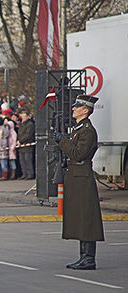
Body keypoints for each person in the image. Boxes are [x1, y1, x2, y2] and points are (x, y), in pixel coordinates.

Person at [52, 95, 104, 270]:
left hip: (82, 176)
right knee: (81, 218)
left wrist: (62, 141)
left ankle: (89, 258)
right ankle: (84, 257)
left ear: (86, 110)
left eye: (77, 106)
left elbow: (78, 154)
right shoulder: (79, 129)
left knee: (86, 218)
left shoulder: (87, 131)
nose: (73, 108)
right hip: (76, 176)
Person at [16, 107, 35, 180]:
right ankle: (24, 173)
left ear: (27, 117)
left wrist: (21, 140)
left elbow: (28, 135)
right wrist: (18, 140)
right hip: (21, 146)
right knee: (22, 161)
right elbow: (19, 133)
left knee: (28, 160)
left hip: (27, 145)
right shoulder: (21, 124)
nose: (22, 118)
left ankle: (30, 173)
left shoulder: (30, 124)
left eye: (24, 117)